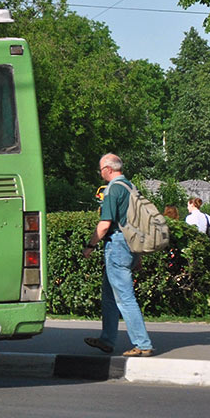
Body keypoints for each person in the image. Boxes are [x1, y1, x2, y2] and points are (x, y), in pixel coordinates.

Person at [82, 153, 154, 357]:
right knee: (109, 296)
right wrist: (137, 256)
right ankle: (107, 340)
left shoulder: (113, 189)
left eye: (100, 169)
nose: (100, 172)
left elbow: (105, 225)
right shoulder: (131, 187)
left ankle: (143, 343)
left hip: (117, 245)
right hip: (131, 244)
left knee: (125, 298)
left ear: (108, 169)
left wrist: (90, 246)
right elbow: (138, 223)